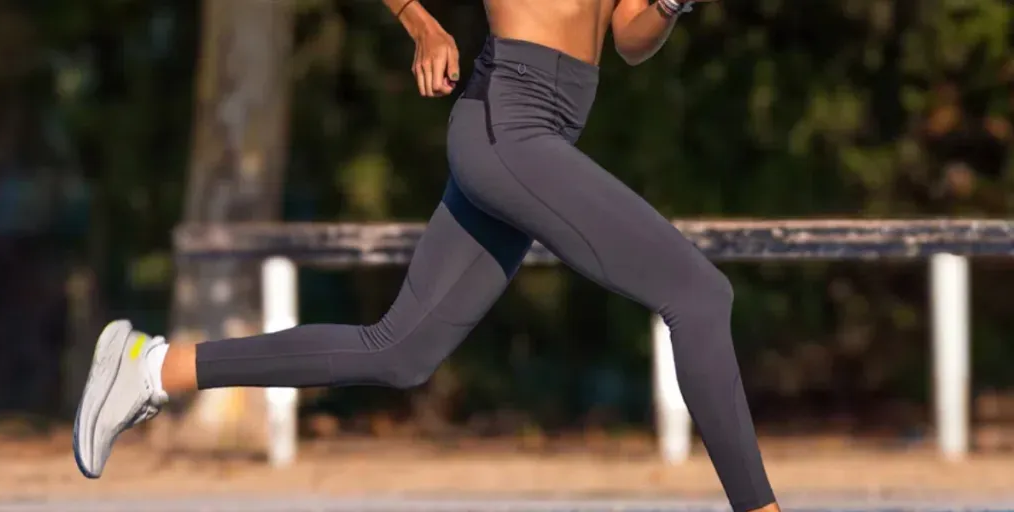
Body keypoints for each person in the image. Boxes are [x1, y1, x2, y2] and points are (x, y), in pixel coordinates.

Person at [73, 0, 781, 510]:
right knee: (698, 294)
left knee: (399, 351)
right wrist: (420, 20)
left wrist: (667, 4)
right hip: (514, 121)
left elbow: (626, 36)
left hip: (544, 129)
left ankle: (156, 368)